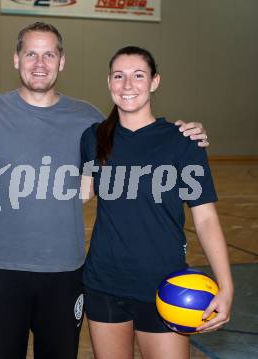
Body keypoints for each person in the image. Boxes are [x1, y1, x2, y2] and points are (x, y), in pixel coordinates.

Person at [0, 23, 209, 359]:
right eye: (30, 53)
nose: (39, 62)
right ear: (16, 59)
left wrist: (184, 130)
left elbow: (139, 133)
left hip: (65, 273)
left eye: (49, 54)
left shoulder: (89, 120)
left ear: (61, 62)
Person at [80, 46, 233, 359]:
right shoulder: (93, 137)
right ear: (109, 81)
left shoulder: (182, 140)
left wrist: (226, 287)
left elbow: (205, 219)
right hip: (104, 282)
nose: (127, 85)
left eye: (138, 76)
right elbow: (79, 194)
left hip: (167, 286)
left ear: (154, 82)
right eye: (119, 76)